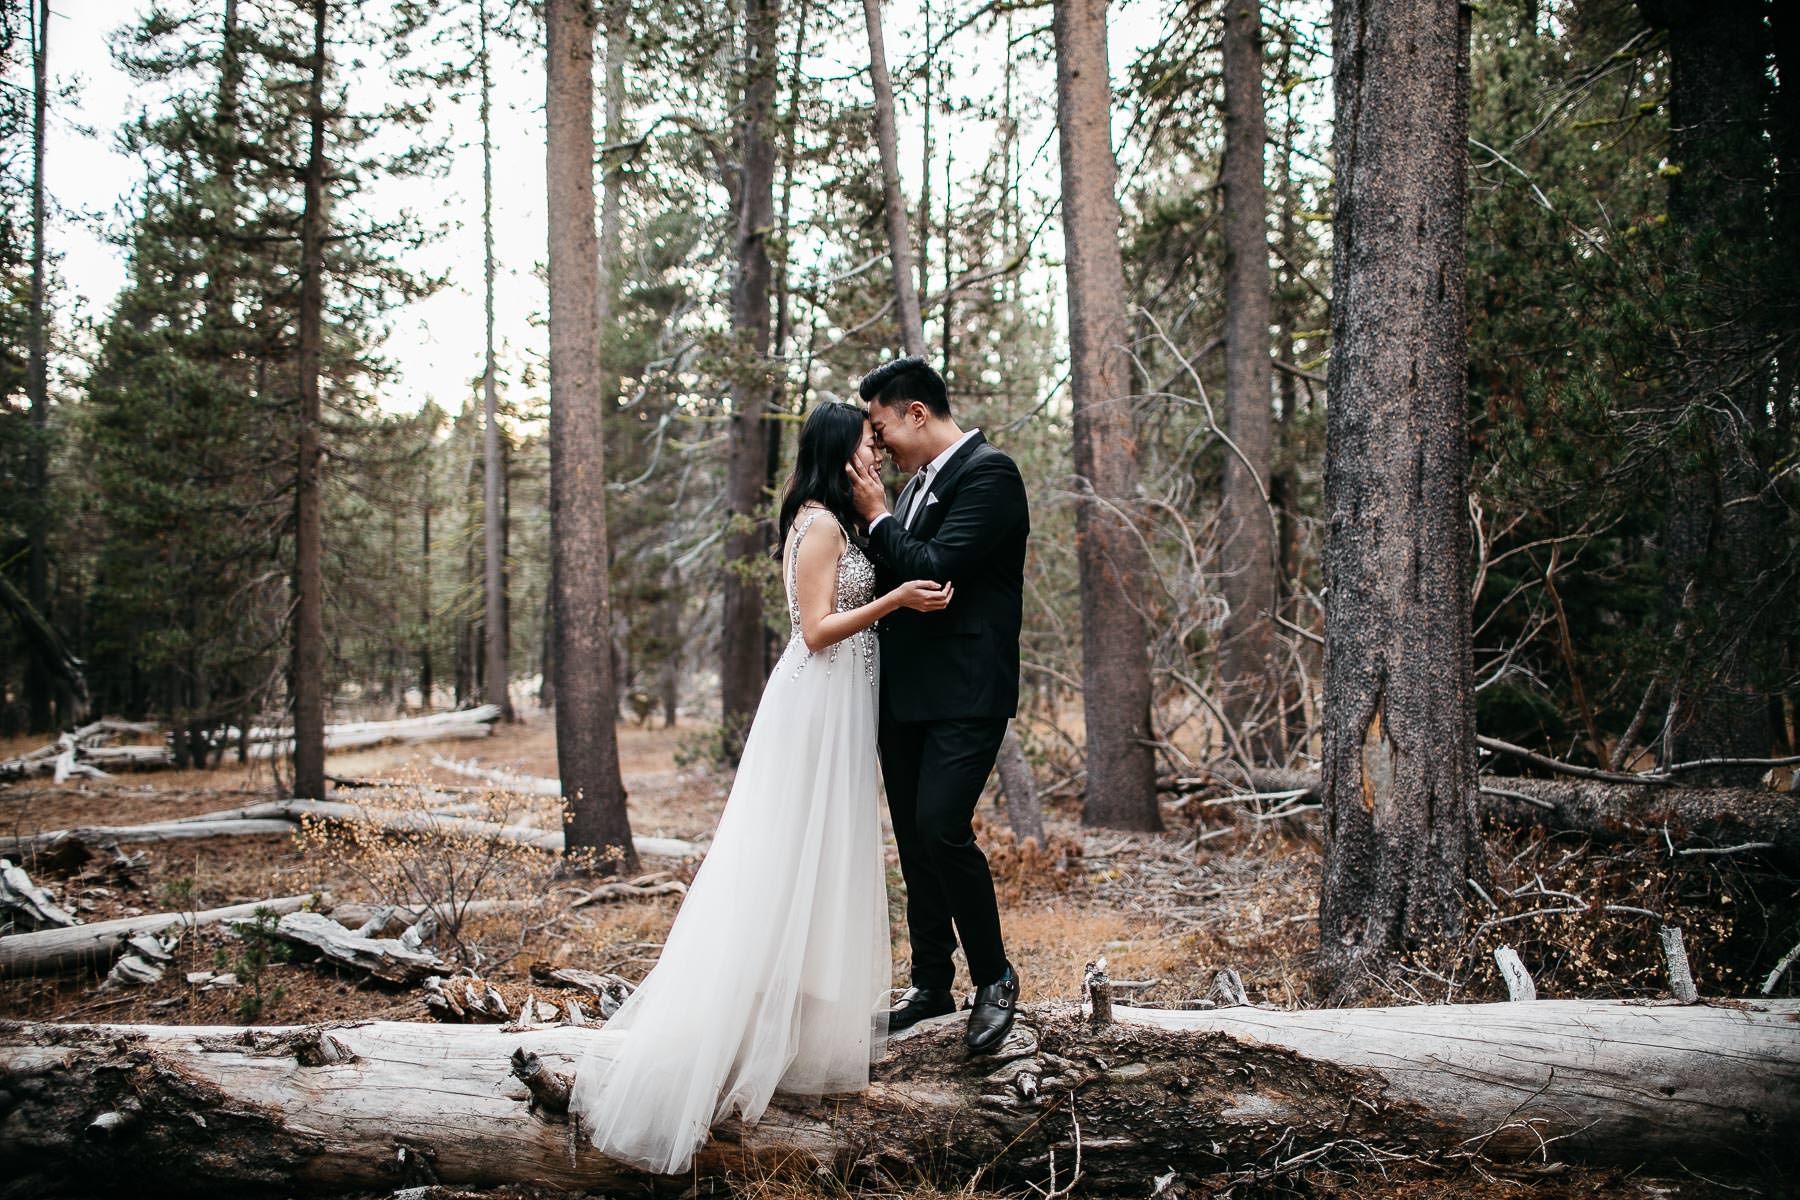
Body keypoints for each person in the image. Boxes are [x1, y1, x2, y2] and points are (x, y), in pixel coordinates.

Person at [567, 401, 953, 1175]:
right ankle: (733, 1032)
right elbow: (814, 629)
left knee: (825, 859)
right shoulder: (817, 526)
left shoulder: (842, 520)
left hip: (846, 702)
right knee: (784, 857)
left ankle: (798, 1036)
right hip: (815, 702)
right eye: (863, 446)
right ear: (834, 453)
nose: (873, 455)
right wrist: (896, 599)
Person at [845, 356, 1031, 1055]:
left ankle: (995, 977)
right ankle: (931, 985)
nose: (879, 439)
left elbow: (933, 566)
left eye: (881, 423)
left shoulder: (991, 474)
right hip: (904, 695)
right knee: (917, 843)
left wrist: (876, 514)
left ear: (915, 413)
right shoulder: (917, 485)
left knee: (942, 827)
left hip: (965, 691)